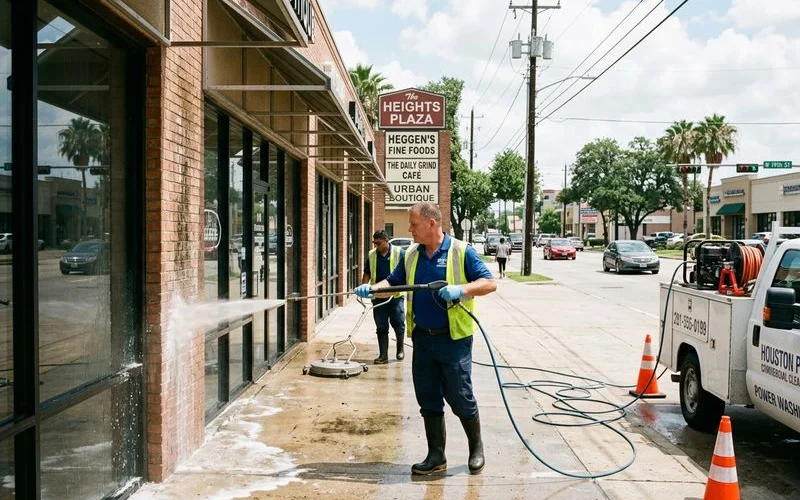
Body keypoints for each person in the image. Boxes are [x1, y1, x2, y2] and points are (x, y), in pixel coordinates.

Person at [355, 202, 497, 476]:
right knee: (428, 398)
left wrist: (461, 289)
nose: (410, 230)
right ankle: (436, 455)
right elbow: (392, 284)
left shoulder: (461, 251)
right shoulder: (411, 256)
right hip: (422, 339)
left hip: (453, 340)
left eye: (414, 224)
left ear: (432, 223)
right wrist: (372, 288)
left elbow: (489, 282)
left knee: (459, 396)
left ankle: (476, 448)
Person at [361, 230, 406, 364]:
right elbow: (367, 273)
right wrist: (363, 288)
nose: (376, 246)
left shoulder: (400, 253)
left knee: (398, 324)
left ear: (386, 241)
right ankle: (383, 355)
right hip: (378, 297)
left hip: (395, 296)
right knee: (381, 327)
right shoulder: (372, 255)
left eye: (379, 243)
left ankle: (400, 349)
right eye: (374, 243)